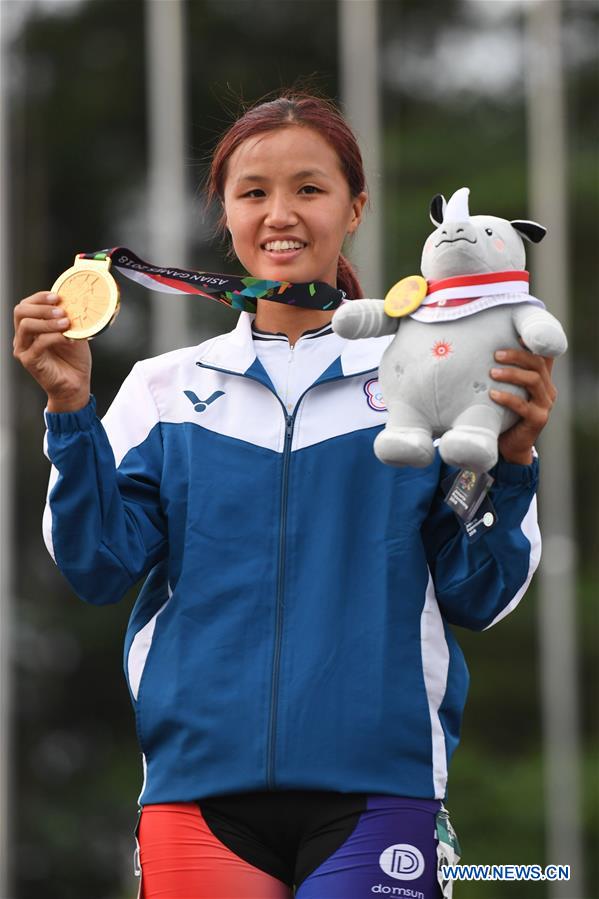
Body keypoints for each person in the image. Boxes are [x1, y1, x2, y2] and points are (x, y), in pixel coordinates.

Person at [13, 93, 557, 899]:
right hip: (196, 793)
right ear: (224, 213)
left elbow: (480, 590)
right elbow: (96, 566)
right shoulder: (164, 389)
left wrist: (508, 461)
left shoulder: (424, 380)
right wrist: (69, 412)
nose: (281, 214)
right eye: (253, 191)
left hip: (381, 788)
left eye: (309, 188)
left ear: (354, 207)